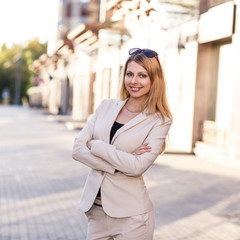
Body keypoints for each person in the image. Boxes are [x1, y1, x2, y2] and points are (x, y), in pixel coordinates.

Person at [72, 48, 172, 240]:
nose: (134, 81)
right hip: (97, 213)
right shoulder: (106, 106)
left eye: (142, 75)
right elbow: (77, 149)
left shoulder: (160, 120)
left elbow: (137, 167)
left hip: (132, 218)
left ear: (154, 79)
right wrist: (119, 163)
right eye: (129, 74)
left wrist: (97, 146)